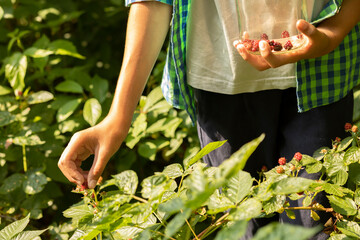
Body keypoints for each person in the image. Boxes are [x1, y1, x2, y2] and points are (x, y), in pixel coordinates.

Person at [58, 0, 360, 239]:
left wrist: (333, 33)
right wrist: (117, 118)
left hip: (323, 77)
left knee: (313, 223)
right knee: (242, 225)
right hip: (221, 81)